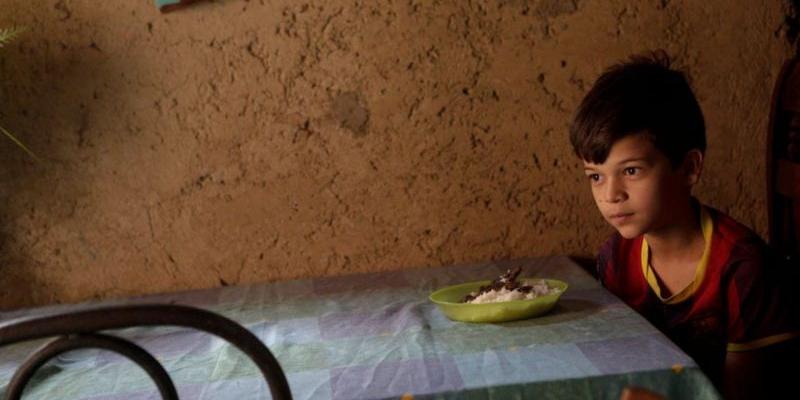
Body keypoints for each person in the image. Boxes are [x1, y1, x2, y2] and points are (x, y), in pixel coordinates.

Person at [569, 50, 799, 399]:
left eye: (631, 171)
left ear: (689, 168)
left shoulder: (741, 269)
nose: (611, 194)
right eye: (596, 176)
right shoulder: (618, 256)